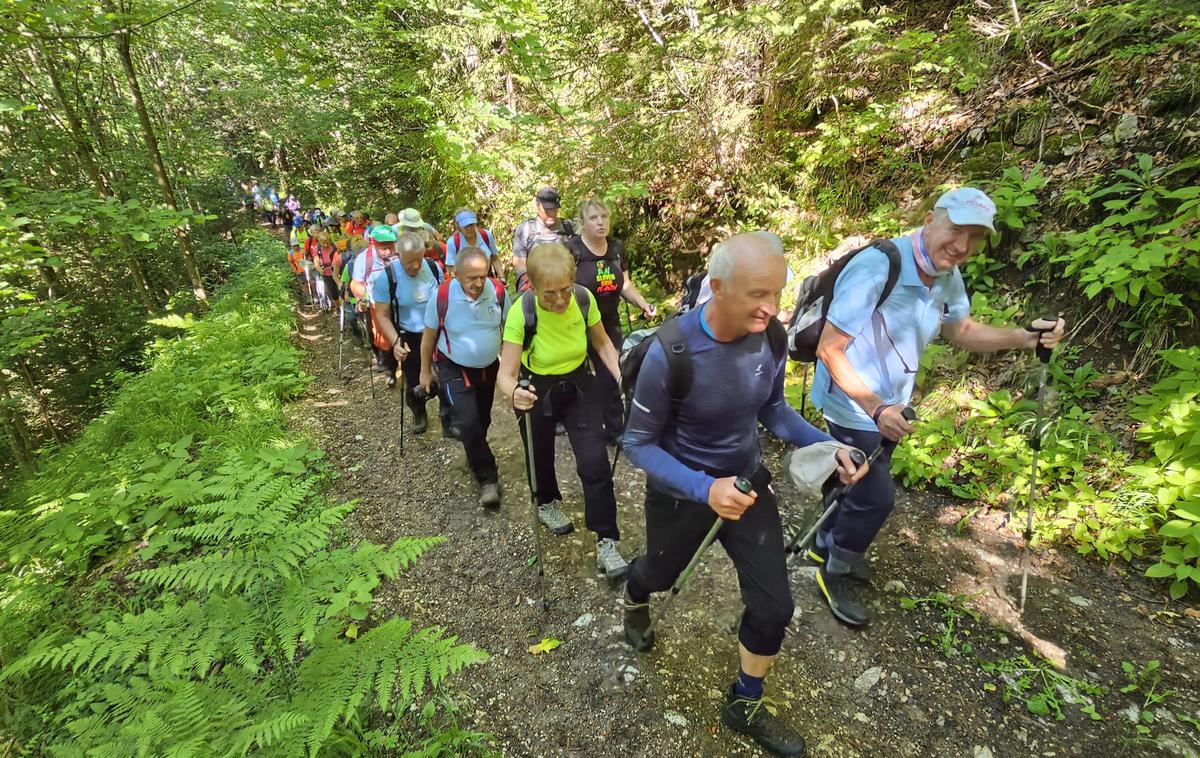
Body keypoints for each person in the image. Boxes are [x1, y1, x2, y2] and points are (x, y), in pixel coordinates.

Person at [621, 231, 866, 756]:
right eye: (757, 294)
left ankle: (745, 700)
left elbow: (773, 409)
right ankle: (634, 595)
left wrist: (831, 446)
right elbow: (636, 443)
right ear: (717, 287)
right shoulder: (672, 350)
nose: (770, 308)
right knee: (659, 574)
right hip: (684, 493)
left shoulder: (772, 339)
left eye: (776, 293)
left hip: (750, 486)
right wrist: (705, 488)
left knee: (775, 606)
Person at [809, 187, 1065, 627]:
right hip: (854, 405)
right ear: (930, 220)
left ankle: (825, 539)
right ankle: (834, 569)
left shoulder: (946, 275)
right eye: (955, 230)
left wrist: (1026, 337)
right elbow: (830, 349)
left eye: (975, 238)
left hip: (892, 408)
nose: (963, 246)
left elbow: (962, 330)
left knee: (854, 481)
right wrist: (875, 409)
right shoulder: (878, 266)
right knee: (875, 496)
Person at [496, 243, 627, 581]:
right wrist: (515, 394)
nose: (559, 300)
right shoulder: (520, 311)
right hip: (535, 388)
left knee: (595, 462)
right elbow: (505, 374)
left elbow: (601, 343)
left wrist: (621, 376)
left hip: (580, 384)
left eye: (564, 290)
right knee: (539, 457)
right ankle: (546, 503)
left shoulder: (583, 299)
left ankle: (607, 539)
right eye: (549, 294)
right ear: (533, 287)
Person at [420, 246, 508, 506]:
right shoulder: (442, 295)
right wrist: (425, 371)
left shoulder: (499, 293)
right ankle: (487, 479)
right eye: (471, 277)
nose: (478, 283)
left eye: (482, 276)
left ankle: (475, 450)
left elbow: (513, 331)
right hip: (453, 368)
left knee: (482, 421)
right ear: (455, 273)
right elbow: (428, 338)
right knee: (468, 423)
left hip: (489, 369)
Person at [566, 197, 656, 444]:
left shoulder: (616, 248)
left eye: (604, 217)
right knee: (574, 375)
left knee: (611, 376)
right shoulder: (572, 250)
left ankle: (614, 431)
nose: (600, 223)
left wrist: (642, 303)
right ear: (582, 223)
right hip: (576, 323)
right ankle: (574, 423)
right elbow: (562, 286)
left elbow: (624, 283)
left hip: (608, 321)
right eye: (593, 218)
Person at [370, 233, 449, 434]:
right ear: (398, 255)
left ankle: (449, 417)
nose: (415, 266)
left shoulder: (433, 268)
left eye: (418, 260)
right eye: (409, 262)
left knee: (446, 377)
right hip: (408, 337)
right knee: (414, 381)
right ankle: (419, 412)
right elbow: (382, 314)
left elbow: (444, 299)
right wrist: (395, 342)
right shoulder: (387, 277)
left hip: (437, 333)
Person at [511, 187, 574, 292]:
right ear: (537, 206)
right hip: (535, 283)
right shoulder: (526, 229)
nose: (551, 213)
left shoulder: (569, 227)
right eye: (547, 209)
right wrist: (528, 280)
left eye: (554, 209)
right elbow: (519, 261)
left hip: (565, 283)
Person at [445, 207, 499, 277]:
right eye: (465, 226)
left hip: (487, 278)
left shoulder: (486, 236)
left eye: (471, 225)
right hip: (464, 283)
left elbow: (495, 258)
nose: (469, 229)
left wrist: (501, 277)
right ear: (458, 226)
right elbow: (451, 269)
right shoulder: (453, 242)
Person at [311, 229, 341, 312]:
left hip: (337, 271)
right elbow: (316, 261)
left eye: (327, 242)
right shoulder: (316, 249)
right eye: (323, 243)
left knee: (341, 288)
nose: (325, 245)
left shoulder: (334, 246)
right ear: (319, 242)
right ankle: (338, 307)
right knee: (333, 292)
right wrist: (319, 269)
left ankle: (343, 306)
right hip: (326, 273)